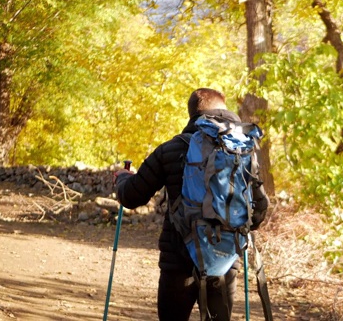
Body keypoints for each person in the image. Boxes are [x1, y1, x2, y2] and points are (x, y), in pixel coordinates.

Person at [115, 88, 269, 321]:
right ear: (222, 110)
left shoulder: (171, 149)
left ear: (192, 115)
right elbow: (258, 214)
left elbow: (131, 196)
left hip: (179, 261)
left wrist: (122, 178)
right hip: (224, 262)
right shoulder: (240, 151)